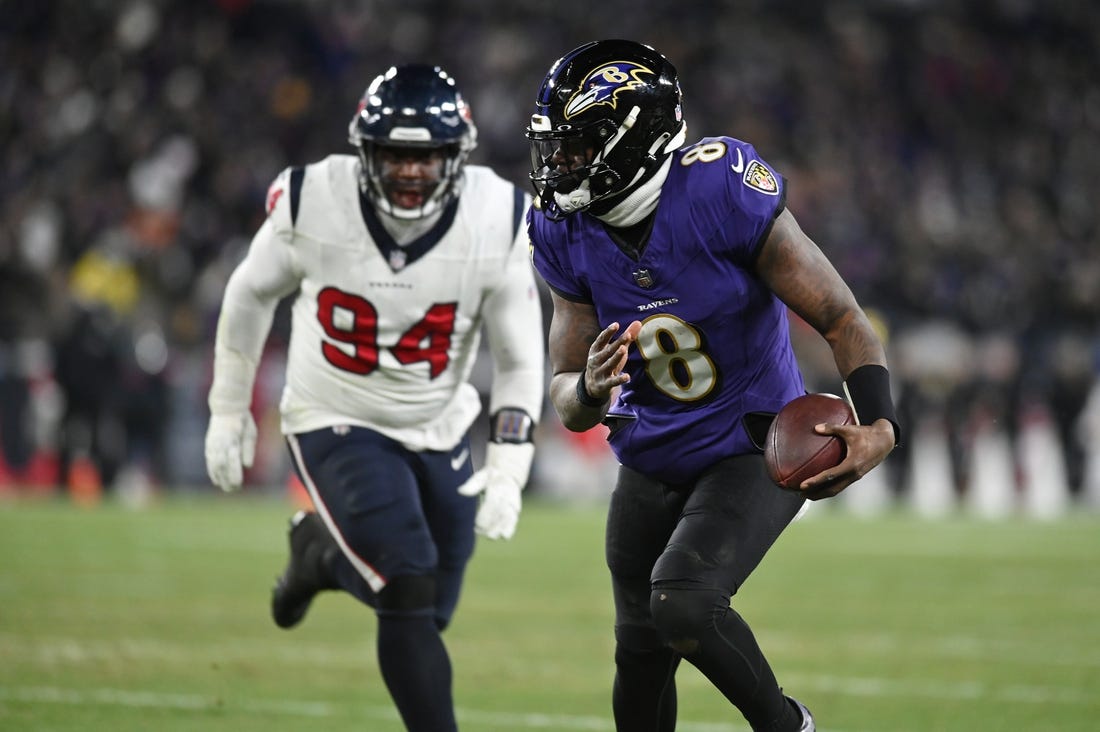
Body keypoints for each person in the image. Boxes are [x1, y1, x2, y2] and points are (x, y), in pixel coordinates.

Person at [525, 40, 899, 732]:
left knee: (684, 602)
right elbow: (565, 393)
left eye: (579, 146)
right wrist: (591, 391)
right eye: (558, 146)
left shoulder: (719, 189)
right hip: (649, 453)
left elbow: (842, 317)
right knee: (638, 650)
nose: (562, 164)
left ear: (637, 139)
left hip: (749, 444)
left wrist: (879, 424)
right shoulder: (562, 228)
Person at [204, 63, 544, 732]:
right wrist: (227, 407)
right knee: (408, 583)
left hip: (439, 420)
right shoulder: (313, 200)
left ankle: (320, 560)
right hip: (334, 412)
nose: (411, 171)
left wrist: (510, 464)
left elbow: (519, 355)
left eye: (427, 157)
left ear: (456, 156)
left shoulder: (496, 216)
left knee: (428, 609)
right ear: (366, 151)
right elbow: (248, 294)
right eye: (395, 153)